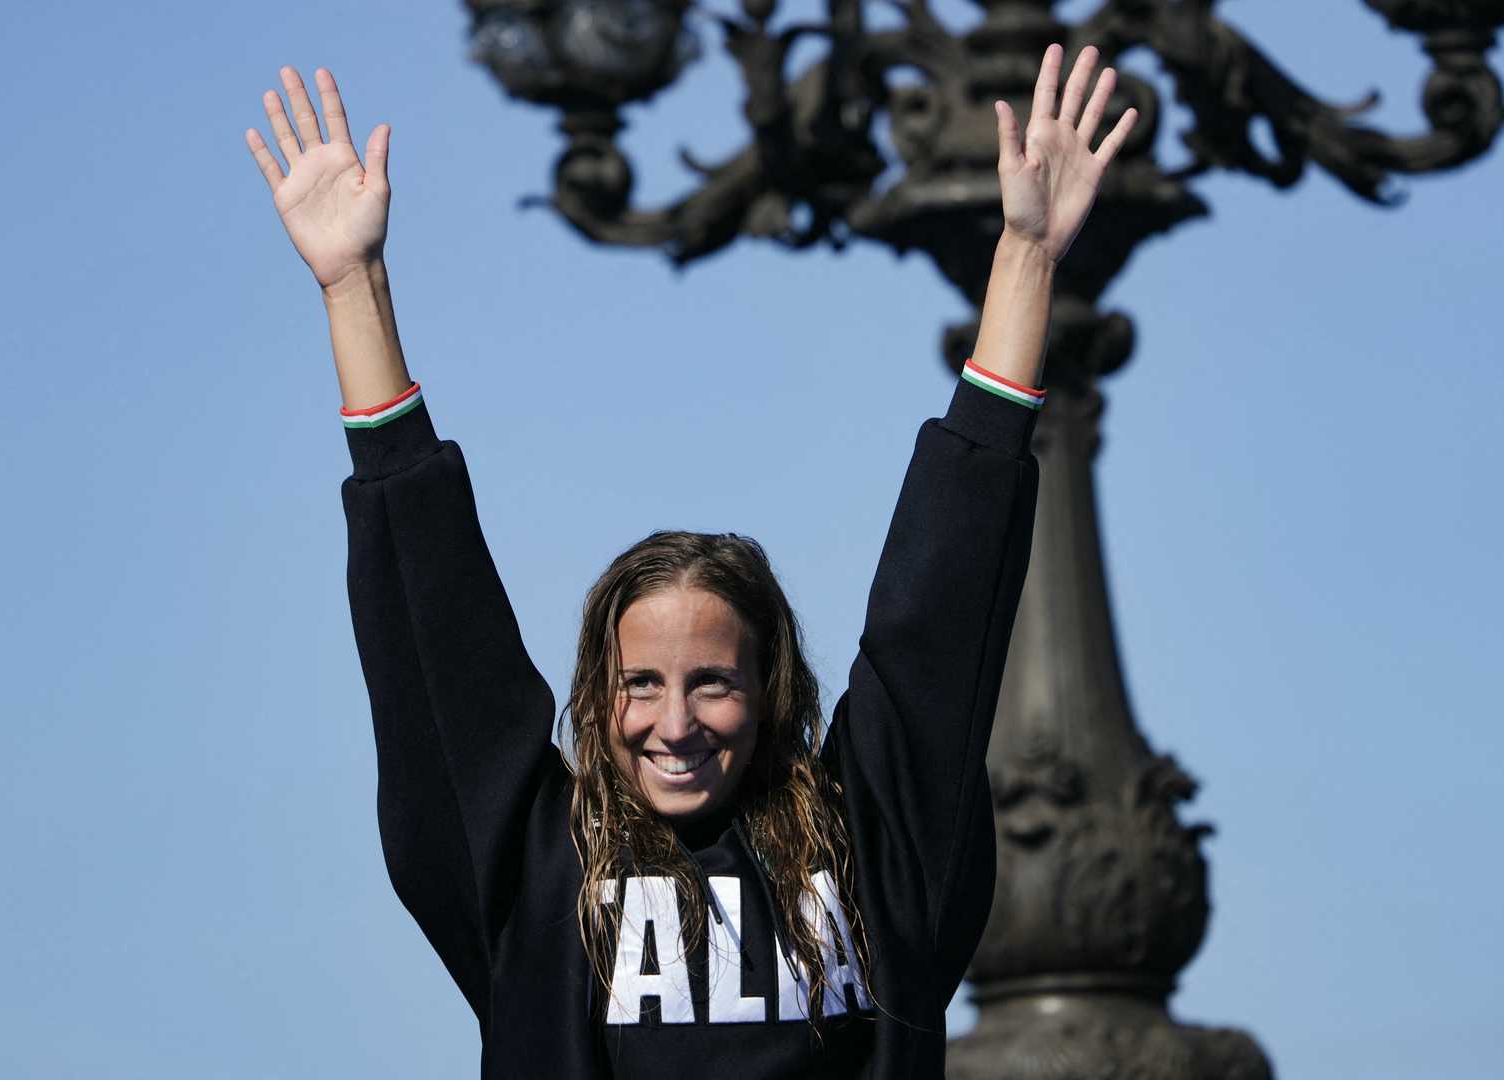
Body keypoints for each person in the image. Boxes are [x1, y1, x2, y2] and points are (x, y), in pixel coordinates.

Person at [244, 42, 1136, 1079]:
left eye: (712, 682)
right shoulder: (535, 878)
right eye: (642, 685)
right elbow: (433, 627)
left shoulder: (874, 851)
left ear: (769, 689)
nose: (674, 723)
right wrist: (353, 283)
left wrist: (1026, 255)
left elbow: (946, 599)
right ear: (600, 695)